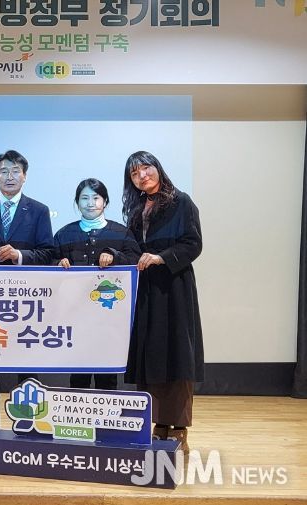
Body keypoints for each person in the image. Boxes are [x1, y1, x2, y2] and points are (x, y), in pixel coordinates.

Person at [0, 149, 54, 451]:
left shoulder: (39, 210)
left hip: (25, 302)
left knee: (26, 367)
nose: (9, 176)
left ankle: (28, 430)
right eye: (3, 171)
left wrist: (19, 255)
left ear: (24, 176)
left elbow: (48, 253)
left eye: (15, 171)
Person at [121, 150, 204, 452]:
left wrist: (161, 257)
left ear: (158, 168)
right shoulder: (136, 209)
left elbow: (193, 244)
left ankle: (179, 427)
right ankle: (159, 423)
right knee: (151, 353)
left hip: (175, 286)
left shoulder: (182, 202)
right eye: (134, 173)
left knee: (177, 353)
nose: (142, 176)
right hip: (147, 289)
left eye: (146, 168)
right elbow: (132, 249)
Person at [54, 178, 141, 390]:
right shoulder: (63, 234)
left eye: (96, 198)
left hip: (110, 318)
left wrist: (114, 256)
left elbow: (136, 260)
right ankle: (77, 411)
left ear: (105, 202)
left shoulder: (122, 233)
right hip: (74, 316)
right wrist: (57, 263)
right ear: (77, 203)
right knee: (78, 375)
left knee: (107, 375)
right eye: (84, 198)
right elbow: (48, 261)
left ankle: (106, 411)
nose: (90, 203)